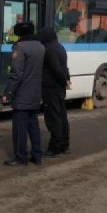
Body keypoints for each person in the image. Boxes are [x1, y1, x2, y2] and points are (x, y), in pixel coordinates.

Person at [2, 22, 45, 166]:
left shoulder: (20, 47)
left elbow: (16, 73)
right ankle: (37, 155)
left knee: (20, 128)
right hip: (35, 92)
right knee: (33, 126)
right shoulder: (40, 46)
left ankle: (21, 157)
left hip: (22, 93)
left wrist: (8, 92)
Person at [37, 27, 71, 158]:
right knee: (62, 117)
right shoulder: (60, 47)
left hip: (51, 88)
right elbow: (64, 68)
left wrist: (64, 80)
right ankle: (64, 144)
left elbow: (56, 69)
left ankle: (55, 147)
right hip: (59, 89)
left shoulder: (49, 50)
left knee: (53, 118)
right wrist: (66, 80)